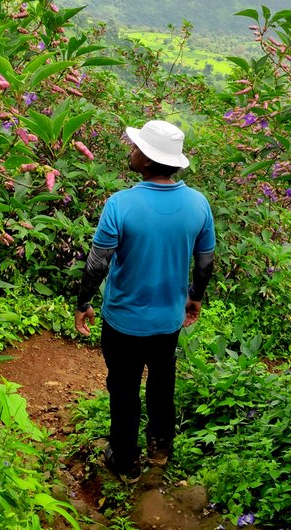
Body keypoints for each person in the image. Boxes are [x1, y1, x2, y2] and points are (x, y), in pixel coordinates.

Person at [74, 119, 216, 483]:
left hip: (123, 320)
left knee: (123, 390)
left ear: (149, 160)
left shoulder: (121, 204)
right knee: (162, 381)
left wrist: (83, 302)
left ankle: (125, 461)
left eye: (136, 148)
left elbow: (98, 263)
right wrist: (194, 298)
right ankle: (161, 447)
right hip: (168, 320)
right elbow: (205, 262)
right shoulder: (198, 204)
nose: (131, 151)